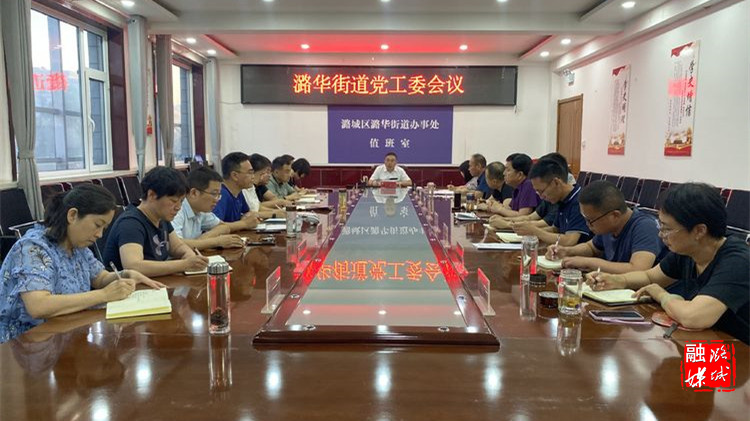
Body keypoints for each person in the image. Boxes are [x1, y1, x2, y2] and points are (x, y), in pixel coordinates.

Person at [0, 184, 163, 343]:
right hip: (24, 343)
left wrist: (125, 274)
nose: (99, 234)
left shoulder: (78, 247)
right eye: (97, 225)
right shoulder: (32, 248)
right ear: (72, 215)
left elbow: (100, 278)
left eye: (104, 228)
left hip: (65, 334)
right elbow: (38, 306)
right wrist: (104, 295)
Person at [588, 183, 749, 343]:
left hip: (739, 348)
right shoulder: (689, 250)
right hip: (708, 339)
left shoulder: (737, 261)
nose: (660, 235)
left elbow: (693, 317)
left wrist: (662, 295)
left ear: (699, 231)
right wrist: (617, 280)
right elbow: (650, 277)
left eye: (667, 229)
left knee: (662, 357)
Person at [103, 166, 208, 276]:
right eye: (173, 201)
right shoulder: (130, 223)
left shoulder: (161, 217)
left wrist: (189, 256)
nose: (178, 207)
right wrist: (184, 264)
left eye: (181, 201)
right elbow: (133, 266)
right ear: (151, 195)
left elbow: (177, 247)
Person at [545, 180, 666, 273]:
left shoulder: (645, 226)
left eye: (590, 220)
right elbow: (591, 247)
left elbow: (638, 269)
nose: (587, 224)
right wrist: (566, 251)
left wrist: (588, 262)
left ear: (614, 215)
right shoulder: (608, 226)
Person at [172, 167, 259, 250]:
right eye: (214, 194)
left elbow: (223, 227)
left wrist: (201, 241)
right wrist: (216, 242)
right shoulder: (177, 210)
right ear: (194, 193)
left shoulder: (201, 210)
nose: (217, 199)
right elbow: (177, 245)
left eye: (219, 194)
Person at [512, 158, 591, 245]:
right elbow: (555, 229)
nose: (541, 197)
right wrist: (528, 231)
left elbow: (569, 241)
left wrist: (535, 231)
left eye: (542, 191)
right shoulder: (562, 199)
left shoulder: (579, 201)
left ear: (556, 182)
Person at [212, 152, 258, 223]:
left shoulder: (238, 192)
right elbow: (217, 226)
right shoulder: (221, 195)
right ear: (234, 176)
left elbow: (247, 213)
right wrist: (244, 223)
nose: (253, 177)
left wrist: (247, 217)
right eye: (250, 173)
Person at [245, 153, 288, 218]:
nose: (269, 175)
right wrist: (274, 213)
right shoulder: (244, 188)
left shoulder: (253, 186)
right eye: (266, 172)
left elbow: (257, 206)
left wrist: (277, 211)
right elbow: (249, 213)